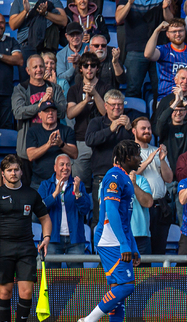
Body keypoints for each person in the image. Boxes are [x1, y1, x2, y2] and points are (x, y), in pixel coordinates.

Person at [77, 140, 142, 322]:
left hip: (119, 239)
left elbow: (125, 218)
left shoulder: (125, 178)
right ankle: (88, 321)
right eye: (137, 155)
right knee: (126, 286)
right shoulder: (113, 176)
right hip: (110, 240)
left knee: (117, 288)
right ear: (127, 157)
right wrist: (124, 244)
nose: (140, 159)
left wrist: (133, 247)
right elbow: (111, 212)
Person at [0, 155, 51, 322]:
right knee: (4, 293)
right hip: (3, 248)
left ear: (21, 171)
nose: (13, 173)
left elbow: (45, 218)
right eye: (9, 170)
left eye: (16, 169)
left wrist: (46, 238)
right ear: (3, 173)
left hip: (26, 248)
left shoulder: (31, 194)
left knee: (26, 292)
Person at [12, 54, 67, 187]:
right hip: (26, 148)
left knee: (50, 188)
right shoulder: (21, 89)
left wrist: (51, 102)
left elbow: (63, 112)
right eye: (35, 67)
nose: (39, 69)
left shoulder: (55, 88)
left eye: (41, 66)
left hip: (50, 147)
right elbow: (18, 112)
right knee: (25, 188)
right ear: (28, 70)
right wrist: (40, 104)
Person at [85, 89, 134, 230]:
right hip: (101, 177)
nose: (116, 107)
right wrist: (110, 129)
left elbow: (135, 149)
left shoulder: (128, 124)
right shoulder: (96, 122)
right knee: (99, 217)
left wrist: (130, 129)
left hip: (123, 178)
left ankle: (121, 249)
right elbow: (89, 140)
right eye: (113, 104)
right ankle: (97, 251)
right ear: (105, 105)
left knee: (123, 216)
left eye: (119, 104)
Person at [115, 0, 173, 98]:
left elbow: (171, 22)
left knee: (161, 90)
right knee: (132, 90)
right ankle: (132, 115)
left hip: (158, 51)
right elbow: (118, 18)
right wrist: (129, 3)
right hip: (135, 50)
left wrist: (165, 8)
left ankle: (159, 114)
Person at [38, 154, 92, 269]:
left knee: (76, 278)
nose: (65, 167)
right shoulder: (46, 185)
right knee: (51, 276)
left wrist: (78, 193)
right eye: (61, 164)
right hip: (52, 238)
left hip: (75, 240)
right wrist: (54, 194)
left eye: (68, 165)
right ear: (55, 168)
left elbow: (85, 210)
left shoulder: (78, 184)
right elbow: (39, 209)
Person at [144, 19, 187, 112]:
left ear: (185, 32)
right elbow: (148, 54)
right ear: (167, 34)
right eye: (174, 31)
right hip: (166, 99)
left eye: (180, 31)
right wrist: (157, 31)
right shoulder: (163, 50)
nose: (178, 34)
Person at [67, 52, 110, 190]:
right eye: (86, 65)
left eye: (93, 65)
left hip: (102, 140)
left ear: (98, 68)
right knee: (80, 186)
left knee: (103, 184)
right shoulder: (74, 89)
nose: (89, 68)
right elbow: (70, 114)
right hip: (82, 140)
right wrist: (85, 101)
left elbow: (106, 113)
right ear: (81, 69)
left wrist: (95, 94)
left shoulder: (105, 87)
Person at [132, 117, 174, 256]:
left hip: (160, 207)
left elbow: (168, 179)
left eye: (149, 128)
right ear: (134, 131)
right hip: (140, 209)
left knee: (158, 250)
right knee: (142, 250)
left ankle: (155, 278)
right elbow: (131, 173)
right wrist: (148, 160)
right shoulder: (130, 151)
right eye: (143, 128)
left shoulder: (157, 151)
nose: (147, 131)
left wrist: (162, 160)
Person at [9, 0, 68, 80]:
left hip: (47, 46)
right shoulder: (19, 1)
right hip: (27, 46)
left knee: (49, 83)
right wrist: (25, 11)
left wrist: (46, 13)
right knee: (27, 86)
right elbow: (13, 25)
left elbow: (63, 21)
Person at [26, 101, 78, 189]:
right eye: (46, 111)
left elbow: (75, 154)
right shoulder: (33, 131)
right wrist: (48, 144)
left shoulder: (67, 130)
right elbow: (31, 156)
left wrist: (61, 144)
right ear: (40, 115)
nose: (50, 113)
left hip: (63, 182)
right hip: (39, 182)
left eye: (53, 111)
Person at [156, 88, 187, 169]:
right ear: (171, 112)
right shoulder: (166, 129)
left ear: (185, 112)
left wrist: (183, 100)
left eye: (181, 110)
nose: (178, 113)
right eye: (175, 110)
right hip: (169, 171)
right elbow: (161, 120)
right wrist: (175, 102)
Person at [0, 15, 23, 130]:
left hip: (6, 93)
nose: (0, 25)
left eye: (2, 22)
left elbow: (19, 60)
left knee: (6, 129)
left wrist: (0, 56)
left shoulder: (11, 41)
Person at [129, 171, 153, 257]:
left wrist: (134, 185)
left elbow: (148, 203)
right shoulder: (108, 180)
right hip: (117, 237)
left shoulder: (141, 180)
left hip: (141, 236)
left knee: (143, 270)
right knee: (120, 270)